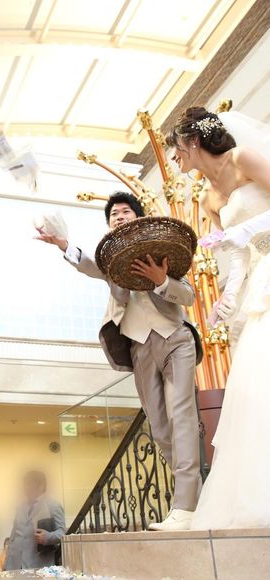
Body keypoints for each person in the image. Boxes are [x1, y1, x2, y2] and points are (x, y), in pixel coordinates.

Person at [35, 192, 203, 531]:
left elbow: (188, 295)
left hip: (175, 339)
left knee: (181, 415)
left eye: (126, 211)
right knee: (159, 427)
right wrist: (63, 244)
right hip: (138, 346)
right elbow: (89, 264)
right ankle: (193, 499)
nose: (119, 216)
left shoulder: (163, 250)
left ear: (139, 217)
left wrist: (161, 280)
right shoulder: (111, 260)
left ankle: (186, 506)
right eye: (113, 214)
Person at [167, 107, 270, 529]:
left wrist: (245, 230)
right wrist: (227, 298)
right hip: (259, 276)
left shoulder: (243, 158)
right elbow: (238, 255)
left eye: (176, 149)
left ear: (193, 142)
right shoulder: (208, 199)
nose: (174, 158)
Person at [4, 471, 64, 570]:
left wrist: (48, 537)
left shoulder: (53, 505)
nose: (26, 488)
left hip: (39, 565)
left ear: (41, 485)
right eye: (25, 484)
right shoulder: (20, 507)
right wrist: (7, 563)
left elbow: (62, 533)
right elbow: (13, 537)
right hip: (15, 565)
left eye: (29, 484)